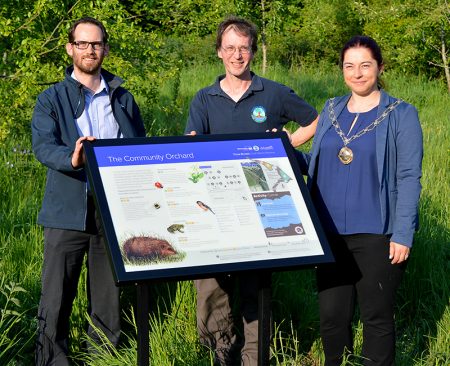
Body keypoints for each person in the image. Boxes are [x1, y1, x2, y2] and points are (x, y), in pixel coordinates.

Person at [185, 16, 319, 366]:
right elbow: (192, 146)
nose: (237, 54)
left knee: (254, 288)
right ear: (219, 52)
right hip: (215, 207)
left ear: (253, 52)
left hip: (262, 207)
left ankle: (253, 358)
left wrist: (289, 143)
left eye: (243, 48)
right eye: (229, 48)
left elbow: (314, 120)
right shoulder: (204, 99)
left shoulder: (273, 92)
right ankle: (221, 355)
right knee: (212, 289)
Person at [296, 36, 423, 365]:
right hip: (329, 232)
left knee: (376, 318)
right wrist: (279, 154)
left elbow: (409, 177)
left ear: (380, 68)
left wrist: (403, 233)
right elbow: (318, 163)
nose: (357, 73)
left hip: (378, 235)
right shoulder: (331, 109)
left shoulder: (401, 114)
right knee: (332, 317)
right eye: (349, 66)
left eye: (365, 65)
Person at [31, 17, 146, 365]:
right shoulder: (51, 98)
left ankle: (103, 357)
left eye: (96, 44)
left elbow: (138, 146)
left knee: (108, 294)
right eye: (82, 43)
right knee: (56, 295)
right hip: (67, 208)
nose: (90, 50)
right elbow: (43, 146)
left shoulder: (123, 98)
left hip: (112, 210)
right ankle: (52, 359)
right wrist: (73, 157)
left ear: (106, 49)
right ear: (70, 49)